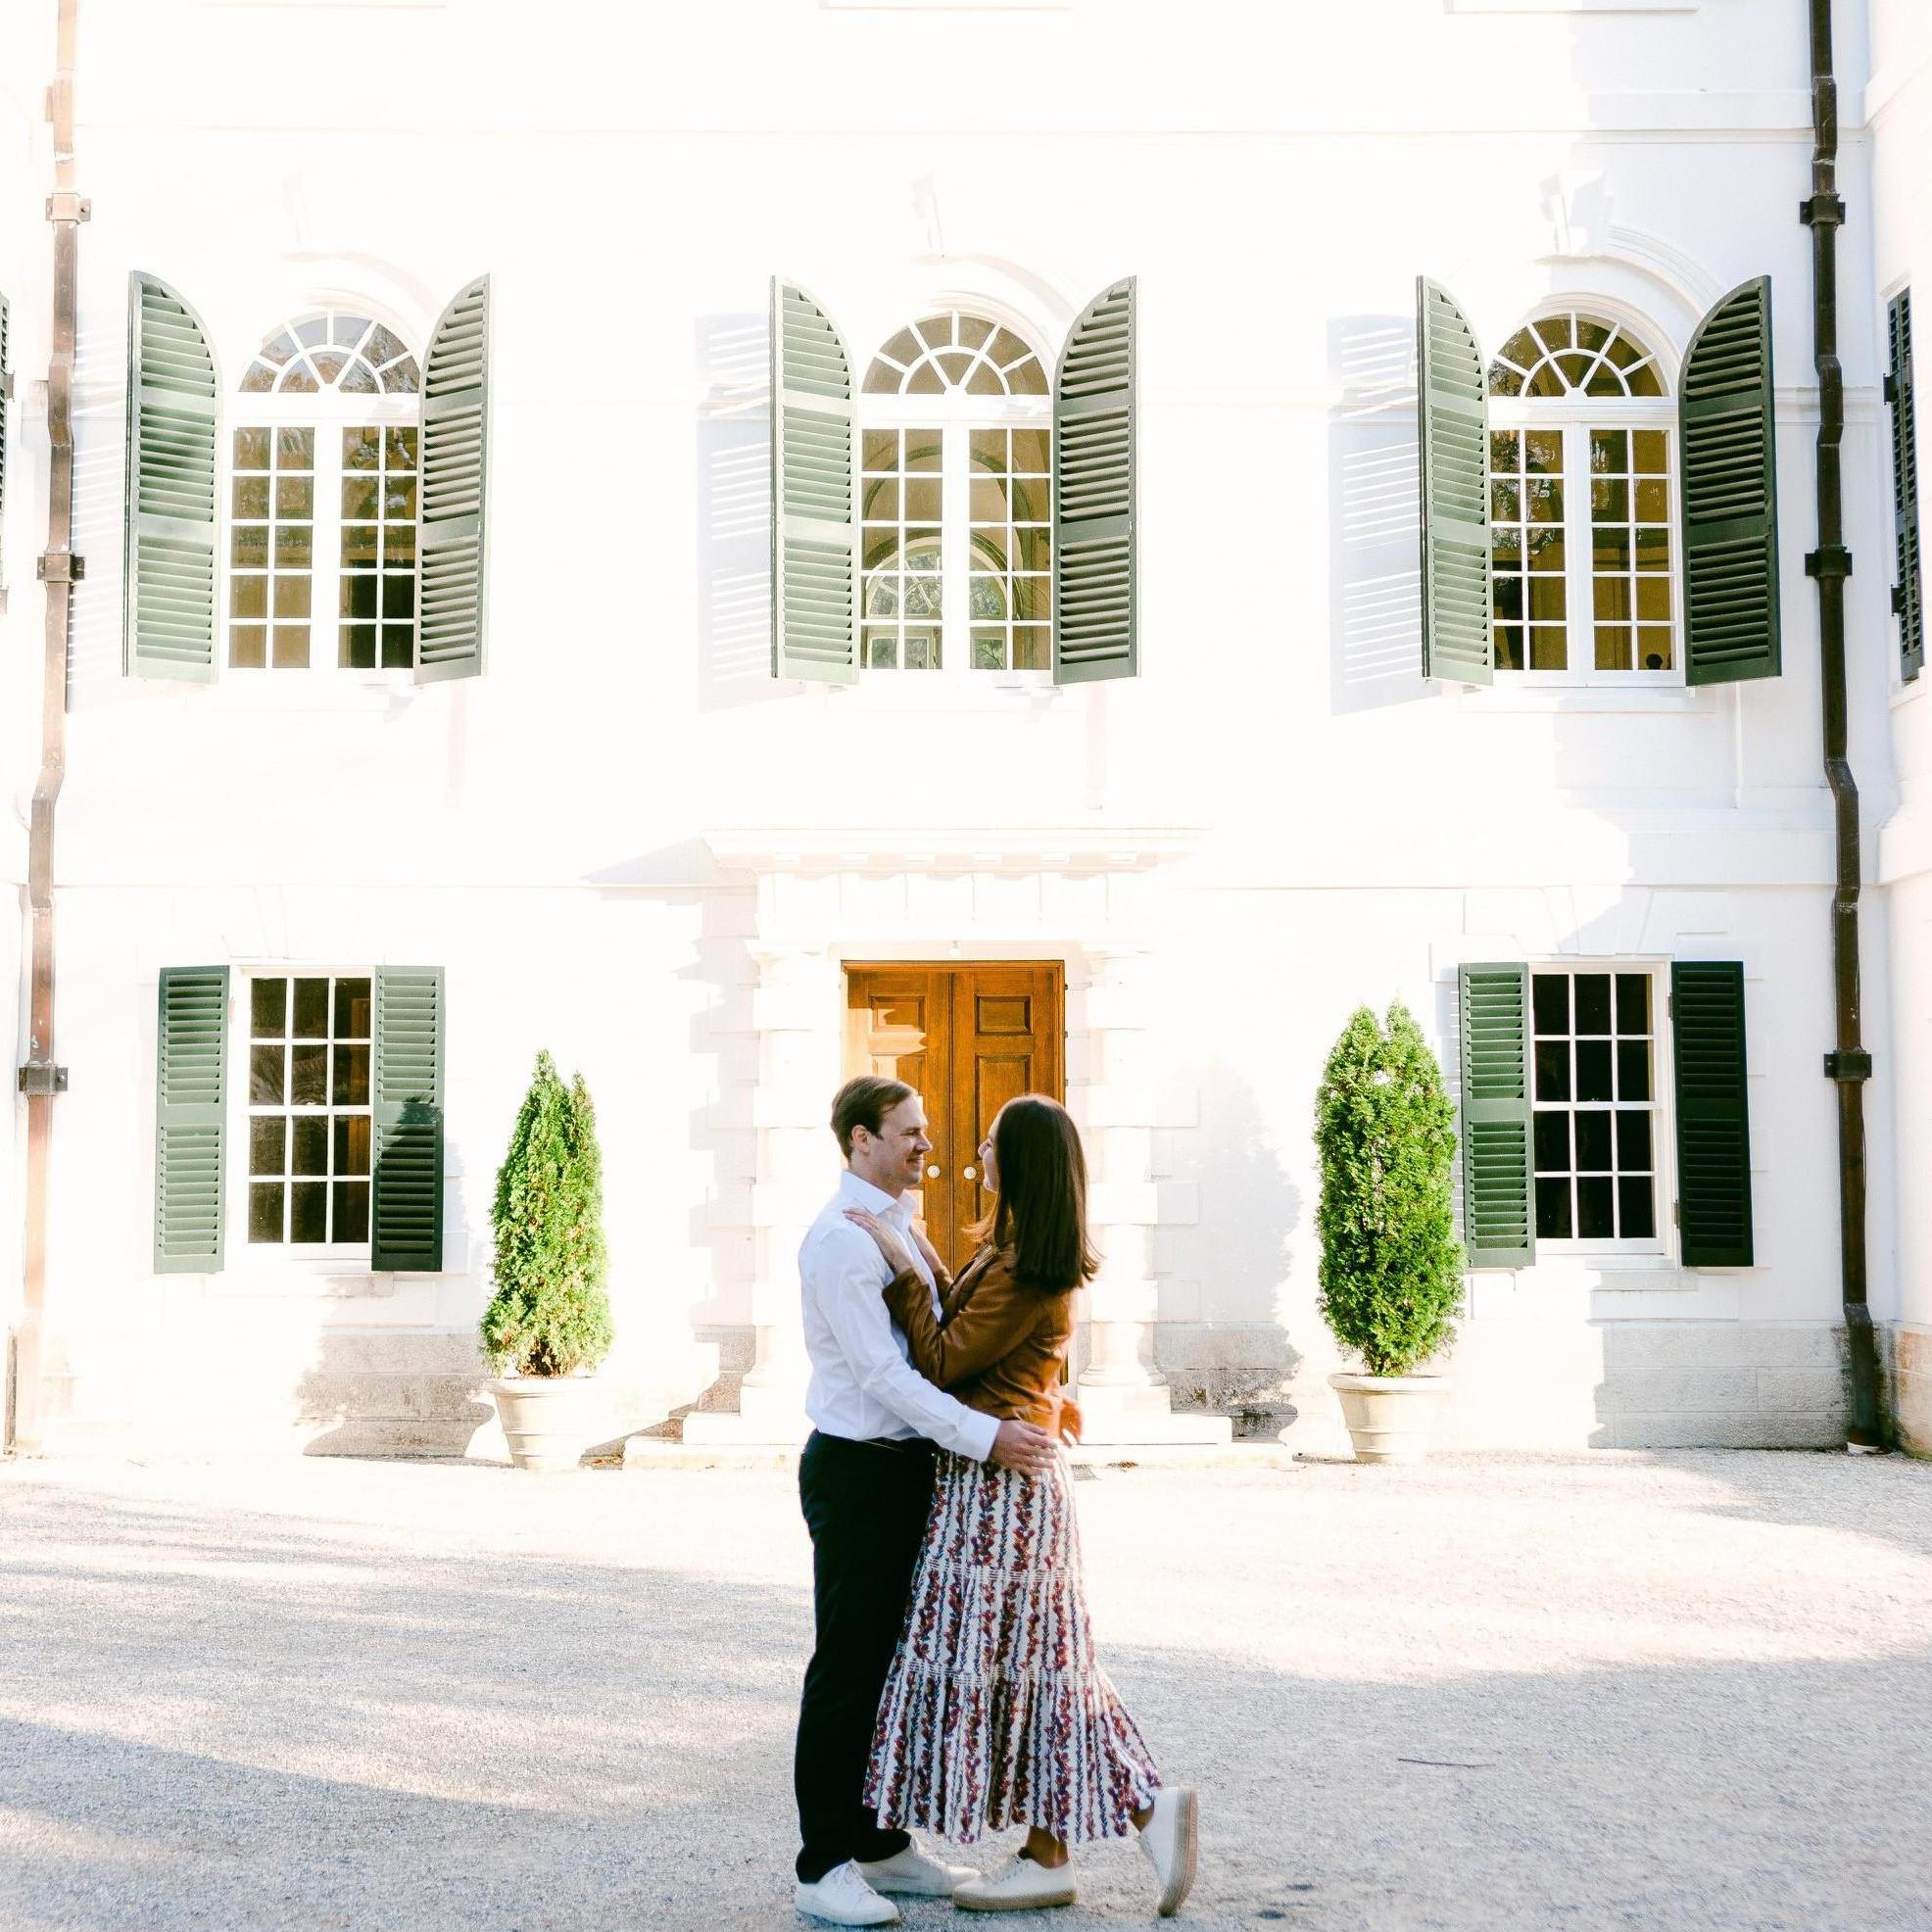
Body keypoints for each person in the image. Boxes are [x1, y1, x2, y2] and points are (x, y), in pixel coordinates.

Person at [845, 1092, 1199, 1917]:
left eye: (996, 1146)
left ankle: (1108, 1825)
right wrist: (925, 1254)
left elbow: (938, 1358)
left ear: (1027, 1164)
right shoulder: (1020, 1250)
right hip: (1002, 1480)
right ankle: (1079, 1838)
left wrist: (901, 1271)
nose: (980, 1158)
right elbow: (979, 1329)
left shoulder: (1026, 1266)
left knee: (1034, 1667)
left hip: (1001, 1494)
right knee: (1037, 1665)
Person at [793, 1075, 1060, 1929]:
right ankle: (822, 1863)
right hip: (859, 1471)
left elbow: (961, 1333)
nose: (925, 1145)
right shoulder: (842, 1240)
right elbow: (886, 1375)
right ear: (859, 1141)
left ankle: (879, 1844)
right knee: (847, 1666)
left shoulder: (898, 1226)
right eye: (907, 1132)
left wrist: (1039, 1404)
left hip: (911, 1473)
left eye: (926, 1130)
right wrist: (988, 1438)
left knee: (897, 1667)